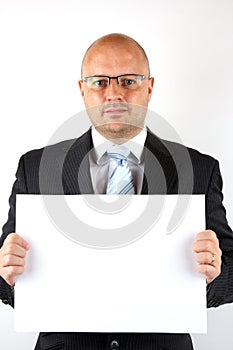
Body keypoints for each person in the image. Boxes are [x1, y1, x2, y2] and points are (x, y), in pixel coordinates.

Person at [0, 33, 232, 350]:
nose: (114, 94)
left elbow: (229, 275)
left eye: (128, 81)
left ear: (149, 87)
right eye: (99, 82)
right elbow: (7, 276)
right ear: (82, 90)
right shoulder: (36, 167)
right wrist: (8, 274)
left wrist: (214, 271)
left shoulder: (199, 170)